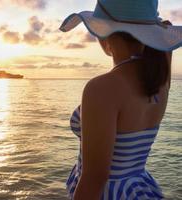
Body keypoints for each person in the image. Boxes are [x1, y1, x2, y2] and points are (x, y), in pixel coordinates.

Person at [59, 0, 182, 199]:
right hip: (139, 189)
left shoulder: (102, 89)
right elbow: (164, 51)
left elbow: (95, 178)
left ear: (103, 32)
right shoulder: (161, 81)